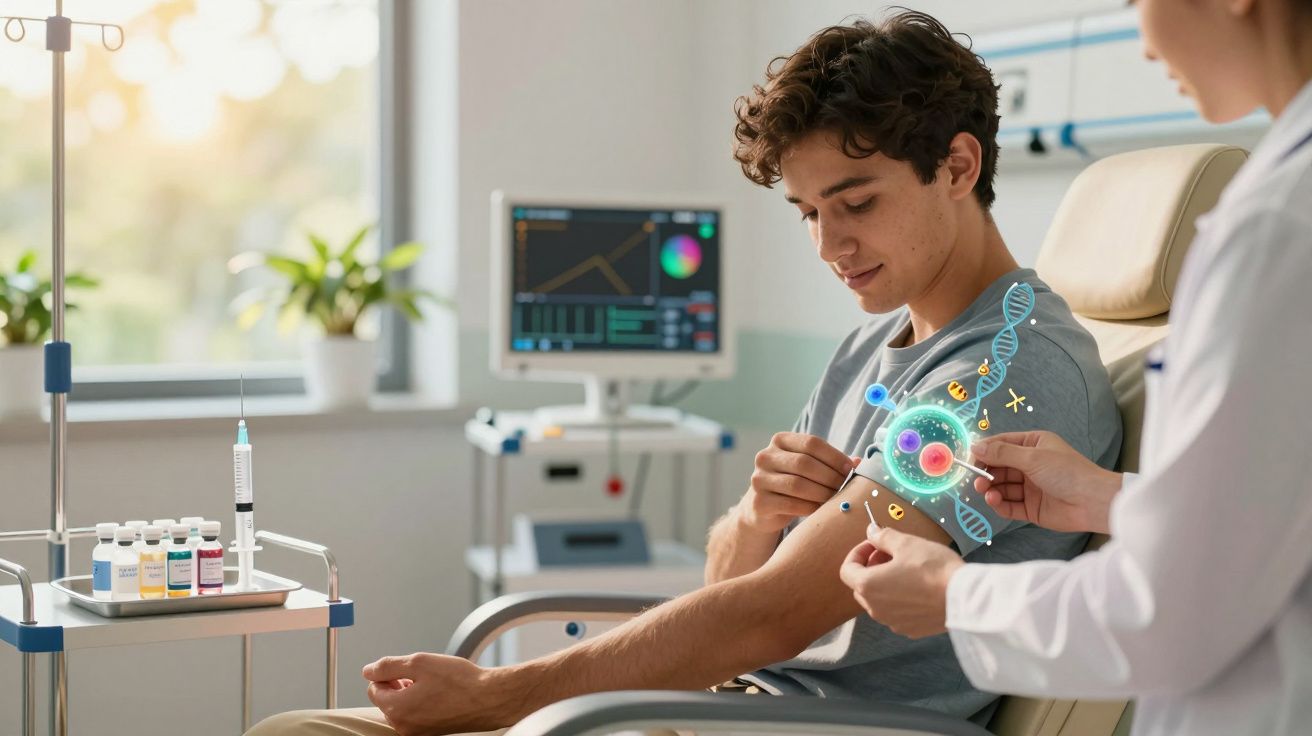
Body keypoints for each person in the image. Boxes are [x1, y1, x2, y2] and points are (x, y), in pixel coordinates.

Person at [247, 11, 1120, 736]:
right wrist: (755, 512)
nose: (829, 244)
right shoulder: (878, 344)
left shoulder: (1004, 376)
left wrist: (497, 697)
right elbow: (732, 587)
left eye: (856, 203)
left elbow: (776, 611)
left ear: (959, 167)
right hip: (726, 709)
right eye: (809, 212)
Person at [838, 0, 1312, 733]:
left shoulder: (1281, 229)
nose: (1142, 40)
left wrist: (954, 600)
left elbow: (1174, 611)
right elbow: (1271, 518)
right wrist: (1112, 499)